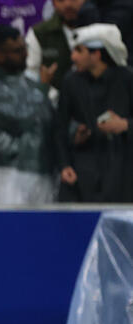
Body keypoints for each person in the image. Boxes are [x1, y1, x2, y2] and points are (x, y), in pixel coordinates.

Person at [57, 23, 133, 202]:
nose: (73, 57)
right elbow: (59, 127)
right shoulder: (71, 81)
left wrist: (124, 125)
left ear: (96, 54)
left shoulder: (127, 79)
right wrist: (64, 164)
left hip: (123, 170)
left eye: (79, 51)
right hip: (84, 172)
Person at [0, 25, 55, 204]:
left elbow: (48, 120)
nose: (26, 55)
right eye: (18, 51)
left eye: (25, 49)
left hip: (42, 169)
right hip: (7, 171)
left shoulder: (31, 83)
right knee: (6, 230)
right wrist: (43, 89)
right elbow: (19, 119)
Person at [25, 0, 96, 93]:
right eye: (61, 0)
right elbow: (31, 76)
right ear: (53, 3)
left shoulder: (100, 29)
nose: (68, 4)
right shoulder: (39, 34)